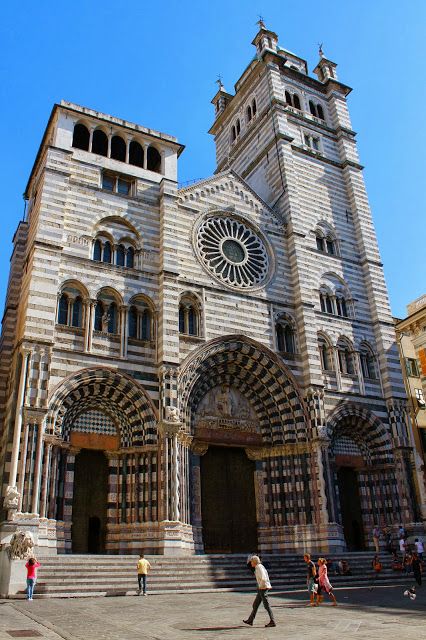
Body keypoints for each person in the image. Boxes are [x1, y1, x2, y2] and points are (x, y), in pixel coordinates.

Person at [243, 555, 276, 628]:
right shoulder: (259, 566)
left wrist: (260, 586)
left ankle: (272, 621)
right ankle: (250, 620)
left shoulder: (259, 567)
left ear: (254, 562)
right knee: (255, 604)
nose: (251, 563)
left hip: (263, 588)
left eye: (251, 562)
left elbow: (263, 578)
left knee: (266, 605)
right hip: (262, 588)